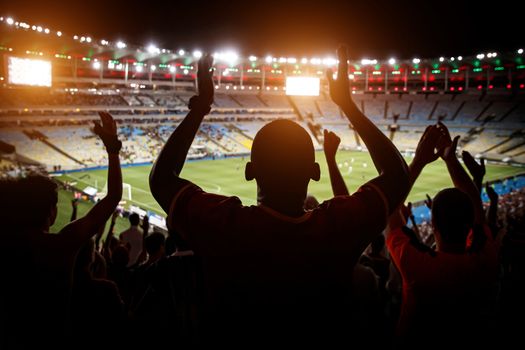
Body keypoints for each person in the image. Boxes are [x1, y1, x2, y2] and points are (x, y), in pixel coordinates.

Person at [149, 47, 409, 345]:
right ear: (315, 172)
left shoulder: (223, 225)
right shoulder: (338, 228)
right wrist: (348, 106)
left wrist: (200, 109)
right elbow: (398, 175)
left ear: (249, 172)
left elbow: (161, 180)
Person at [0, 112, 122, 348]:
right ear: (51, 213)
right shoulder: (59, 246)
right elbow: (113, 197)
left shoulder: (7, 243)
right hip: (54, 342)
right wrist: (112, 148)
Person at [386, 123, 500, 347]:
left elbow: (390, 206)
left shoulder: (416, 264)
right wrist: (451, 160)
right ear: (469, 226)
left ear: (434, 223)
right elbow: (475, 205)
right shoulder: (486, 259)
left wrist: (419, 161)